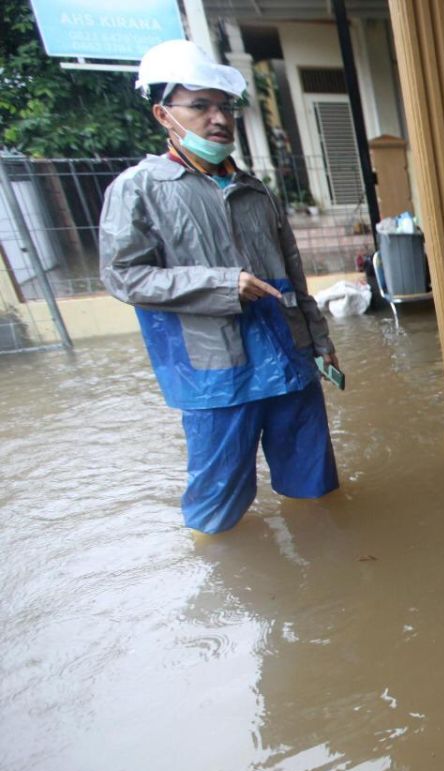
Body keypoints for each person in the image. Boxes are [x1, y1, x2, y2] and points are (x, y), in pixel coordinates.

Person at [99, 40, 339, 534]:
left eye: (224, 106)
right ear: (164, 114)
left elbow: (293, 276)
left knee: (315, 486)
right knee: (218, 504)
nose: (219, 118)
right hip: (214, 373)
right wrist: (221, 284)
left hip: (289, 362)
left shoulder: (255, 189)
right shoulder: (138, 189)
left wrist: (320, 342)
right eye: (201, 105)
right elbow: (123, 275)